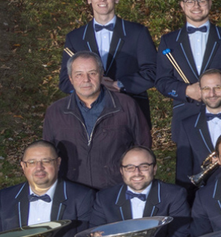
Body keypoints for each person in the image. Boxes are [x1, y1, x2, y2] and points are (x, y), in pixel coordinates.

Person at [58, 0, 158, 127]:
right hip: (87, 116)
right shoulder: (75, 37)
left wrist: (120, 85)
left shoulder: (137, 32)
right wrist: (93, 85)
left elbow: (153, 71)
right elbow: (65, 81)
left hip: (130, 112)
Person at [43, 52, 152, 190]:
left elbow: (143, 147)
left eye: (92, 73)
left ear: (101, 74)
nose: (86, 79)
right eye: (79, 74)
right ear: (70, 78)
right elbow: (47, 155)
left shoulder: (126, 105)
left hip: (116, 191)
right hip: (72, 192)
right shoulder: (56, 111)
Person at [155, 0, 221, 113]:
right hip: (184, 116)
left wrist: (216, 88)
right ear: (182, 5)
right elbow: (161, 81)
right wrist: (186, 90)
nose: (196, 6)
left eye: (201, 1)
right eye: (190, 1)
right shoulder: (169, 41)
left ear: (209, 3)